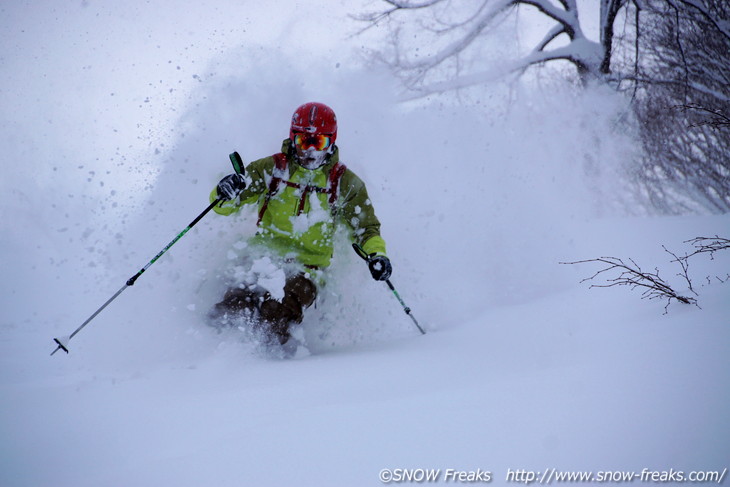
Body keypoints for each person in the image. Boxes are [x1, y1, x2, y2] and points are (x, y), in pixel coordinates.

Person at [208, 102, 392, 354]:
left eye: (319, 143)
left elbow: (366, 228)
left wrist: (376, 255)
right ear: (292, 138)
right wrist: (225, 191)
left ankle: (274, 371)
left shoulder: (344, 183)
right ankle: (209, 358)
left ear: (332, 142)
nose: (310, 152)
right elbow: (225, 205)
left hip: (308, 268)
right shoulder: (271, 169)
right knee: (233, 306)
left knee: (275, 312)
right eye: (304, 142)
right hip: (262, 257)